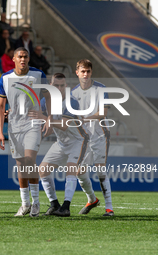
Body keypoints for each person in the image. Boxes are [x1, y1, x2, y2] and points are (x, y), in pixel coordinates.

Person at [0, 47, 52, 217]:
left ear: (29, 59)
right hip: (14, 125)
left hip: (33, 123)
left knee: (29, 160)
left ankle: (35, 202)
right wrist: (0, 132)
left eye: (25, 57)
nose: (23, 59)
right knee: (21, 164)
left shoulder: (38, 75)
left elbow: (48, 95)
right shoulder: (5, 78)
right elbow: (0, 106)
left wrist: (48, 117)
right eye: (19, 57)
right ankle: (25, 204)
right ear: (13, 59)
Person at [35, 73, 90, 217]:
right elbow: (41, 120)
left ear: (65, 86)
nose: (59, 88)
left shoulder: (71, 102)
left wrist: (43, 118)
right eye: (56, 85)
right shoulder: (44, 101)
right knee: (43, 171)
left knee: (71, 170)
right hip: (61, 143)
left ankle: (66, 207)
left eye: (61, 85)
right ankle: (54, 204)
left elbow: (64, 125)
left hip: (79, 141)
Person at [71, 59, 114, 217]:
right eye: (83, 71)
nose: (85, 74)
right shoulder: (73, 93)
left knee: (100, 170)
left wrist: (84, 118)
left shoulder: (100, 88)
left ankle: (109, 207)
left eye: (88, 71)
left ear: (91, 72)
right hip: (83, 139)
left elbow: (103, 112)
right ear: (77, 72)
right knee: (79, 172)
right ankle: (92, 200)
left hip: (100, 135)